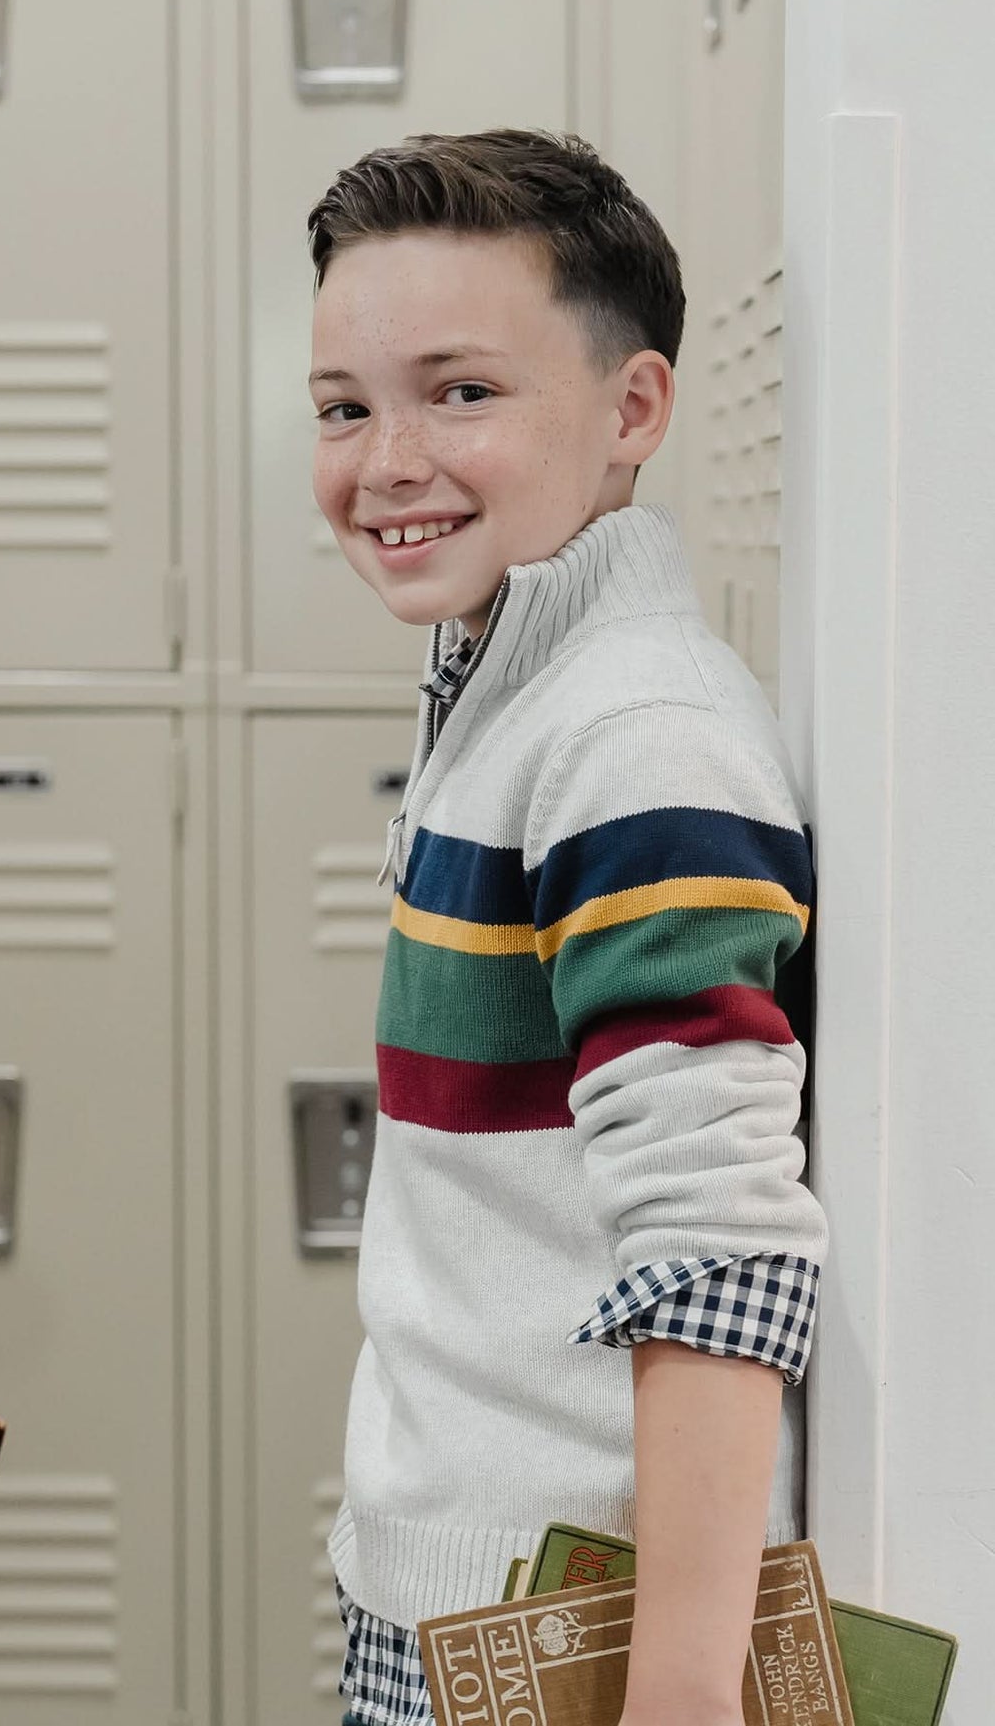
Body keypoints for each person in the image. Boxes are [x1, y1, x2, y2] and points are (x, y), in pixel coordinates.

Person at [306, 130, 825, 1726]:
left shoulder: (632, 740)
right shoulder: (517, 688)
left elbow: (715, 1248)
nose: (387, 459)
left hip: (557, 1643)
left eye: (460, 392)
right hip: (458, 1598)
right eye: (343, 404)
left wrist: (675, 1693)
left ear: (634, 409)